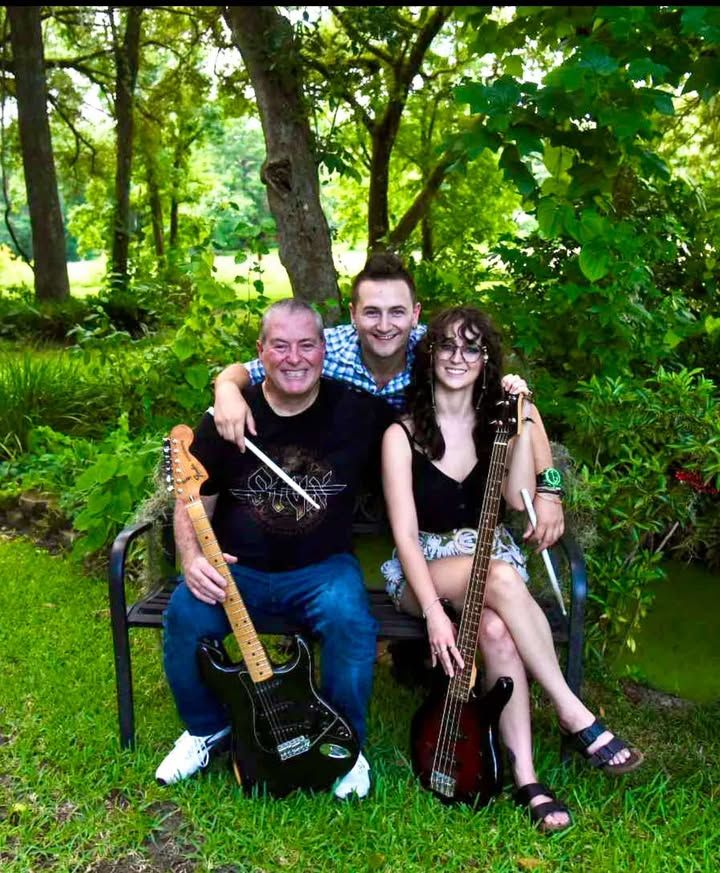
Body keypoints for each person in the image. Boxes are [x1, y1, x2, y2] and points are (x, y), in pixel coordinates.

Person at [380, 305, 644, 832]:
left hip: (488, 559)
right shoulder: (401, 433)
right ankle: (571, 710)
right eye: (447, 346)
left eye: (471, 348)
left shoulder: (494, 426)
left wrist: (524, 417)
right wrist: (433, 613)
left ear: (486, 360)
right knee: (501, 577)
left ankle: (525, 778)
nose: (458, 357)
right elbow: (405, 536)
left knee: (497, 631)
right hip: (422, 570)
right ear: (429, 354)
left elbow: (515, 497)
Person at [156, 298, 393, 799]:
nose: (294, 357)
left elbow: (437, 430)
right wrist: (193, 557)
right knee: (183, 614)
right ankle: (205, 730)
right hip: (238, 571)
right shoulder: (228, 418)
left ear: (324, 350)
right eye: (280, 346)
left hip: (321, 570)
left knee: (351, 619)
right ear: (260, 352)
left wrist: (526, 433)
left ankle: (344, 742)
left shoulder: (357, 414)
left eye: (307, 344)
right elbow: (191, 494)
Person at [212, 253, 565, 553]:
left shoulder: (440, 352)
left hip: (420, 493)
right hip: (334, 481)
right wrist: (227, 388)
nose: (384, 326)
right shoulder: (324, 350)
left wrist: (549, 491)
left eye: (397, 312)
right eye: (371, 312)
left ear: (415, 314)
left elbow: (519, 404)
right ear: (353, 314)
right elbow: (249, 369)